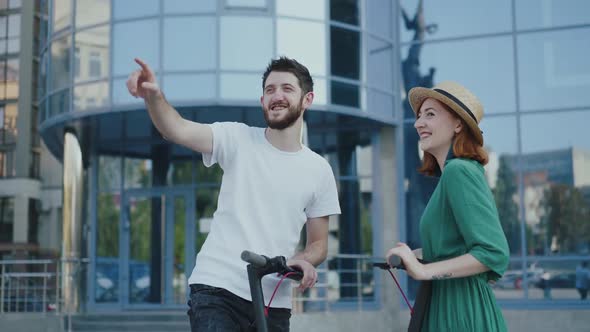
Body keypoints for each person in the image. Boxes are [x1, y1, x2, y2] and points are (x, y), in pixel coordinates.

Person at [126, 56, 341, 331]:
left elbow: (318, 245)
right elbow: (176, 129)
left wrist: (300, 262)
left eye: (287, 89)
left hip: (273, 299)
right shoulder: (237, 139)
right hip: (217, 289)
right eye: (269, 90)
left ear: (307, 99)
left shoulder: (319, 169)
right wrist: (153, 96)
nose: (277, 96)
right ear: (262, 101)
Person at [385, 81, 510, 331]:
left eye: (430, 114)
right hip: (448, 304)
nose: (418, 123)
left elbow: (493, 252)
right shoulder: (451, 176)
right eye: (419, 116)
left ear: (458, 124)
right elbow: (455, 246)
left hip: (461, 311)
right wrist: (414, 256)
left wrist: (424, 271)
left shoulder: (459, 171)